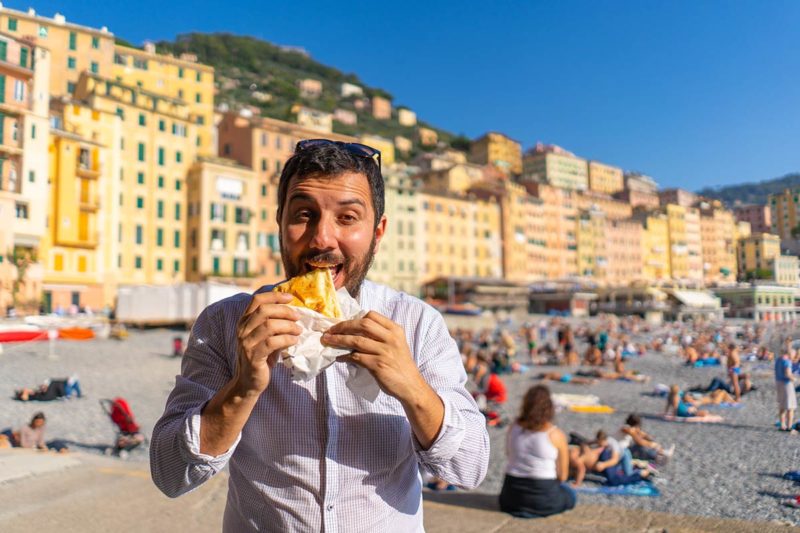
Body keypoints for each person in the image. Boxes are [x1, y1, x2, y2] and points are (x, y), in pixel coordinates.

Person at [150, 140, 489, 532]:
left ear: (377, 232)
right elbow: (170, 474)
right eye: (304, 214)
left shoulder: (417, 323)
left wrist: (411, 387)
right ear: (280, 222)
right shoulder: (225, 323)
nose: (322, 239)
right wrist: (243, 387)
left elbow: (470, 467)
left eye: (347, 218)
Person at [498, 385, 576, 518]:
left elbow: (509, 454)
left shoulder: (514, 427)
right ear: (549, 408)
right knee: (570, 493)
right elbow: (562, 476)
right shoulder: (555, 434)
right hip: (542, 499)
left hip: (510, 498)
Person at [775, 344, 797, 433]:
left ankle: (782, 425)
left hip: (778, 383)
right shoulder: (787, 361)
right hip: (786, 384)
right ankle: (789, 426)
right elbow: (787, 373)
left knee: (782, 406)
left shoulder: (778, 360)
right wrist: (794, 379)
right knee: (790, 407)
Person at [15, 375, 82, 401]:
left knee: (53, 383)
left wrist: (42, 387)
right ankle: (66, 391)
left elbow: (40, 391)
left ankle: (68, 383)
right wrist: (25, 391)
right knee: (53, 383)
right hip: (46, 397)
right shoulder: (26, 396)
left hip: (47, 394)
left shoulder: (30, 393)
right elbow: (24, 398)